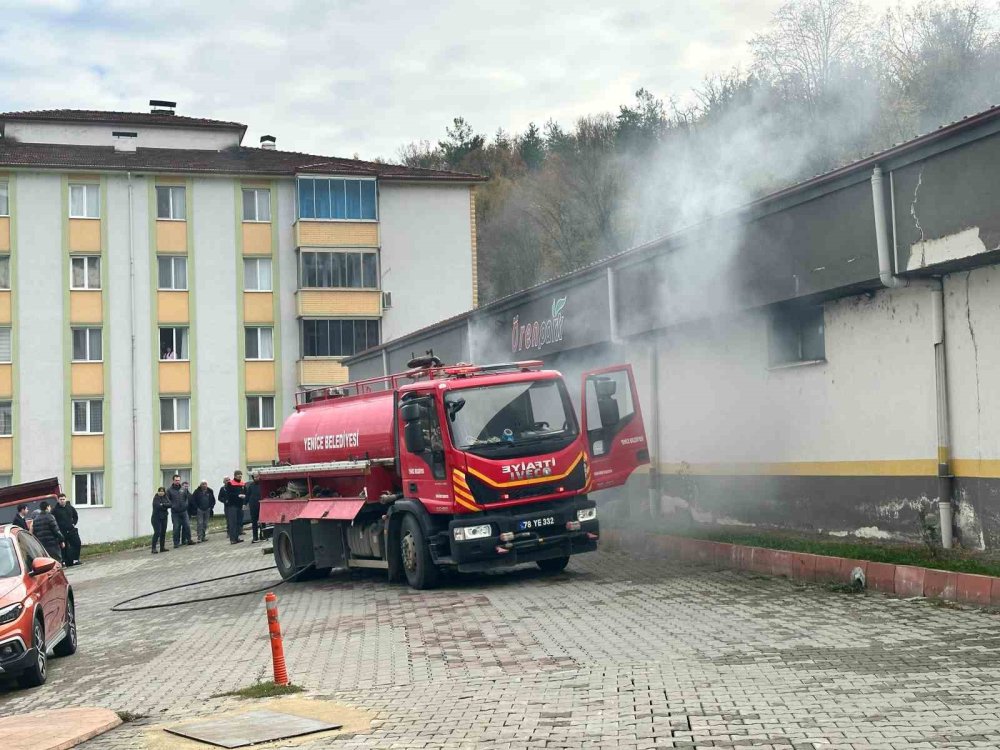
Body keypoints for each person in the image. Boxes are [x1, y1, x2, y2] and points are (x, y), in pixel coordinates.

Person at [52, 493, 82, 566]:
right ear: (58, 500)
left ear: (66, 499)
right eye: (60, 499)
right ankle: (66, 561)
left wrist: (73, 523)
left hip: (71, 530)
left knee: (77, 543)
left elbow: (75, 516)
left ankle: (75, 559)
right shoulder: (55, 510)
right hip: (62, 532)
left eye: (63, 499)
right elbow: (52, 520)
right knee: (63, 547)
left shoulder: (70, 507)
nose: (62, 501)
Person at [166, 474, 194, 548]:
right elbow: (167, 500)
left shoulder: (183, 489)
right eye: (176, 480)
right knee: (176, 528)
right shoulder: (169, 490)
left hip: (184, 511)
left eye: (178, 480)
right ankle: (176, 543)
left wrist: (185, 505)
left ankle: (189, 540)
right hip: (175, 513)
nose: (177, 481)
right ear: (173, 480)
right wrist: (172, 506)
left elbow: (186, 498)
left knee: (187, 526)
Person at [223, 471, 247, 544]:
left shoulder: (243, 484)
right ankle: (232, 539)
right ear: (235, 476)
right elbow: (229, 494)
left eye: (240, 474)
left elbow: (246, 492)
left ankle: (237, 537)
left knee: (239, 522)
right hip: (232, 505)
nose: (240, 476)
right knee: (233, 522)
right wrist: (238, 495)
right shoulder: (230, 483)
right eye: (238, 474)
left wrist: (245, 498)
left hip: (240, 506)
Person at [151, 487, 171, 554]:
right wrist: (165, 506)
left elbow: (170, 504)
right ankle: (153, 548)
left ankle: (162, 547)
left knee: (163, 532)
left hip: (164, 517)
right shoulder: (156, 498)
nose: (161, 492)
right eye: (160, 491)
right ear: (158, 492)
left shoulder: (165, 497)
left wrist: (163, 504)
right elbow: (157, 506)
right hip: (156, 518)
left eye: (163, 491)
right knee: (157, 532)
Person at [246, 471, 262, 543]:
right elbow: (247, 495)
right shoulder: (251, 486)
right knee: (254, 522)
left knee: (262, 521)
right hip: (253, 506)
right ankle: (255, 537)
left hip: (261, 505)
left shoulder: (263, 485)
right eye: (255, 477)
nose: (256, 478)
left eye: (257, 476)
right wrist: (244, 504)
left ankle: (263, 535)